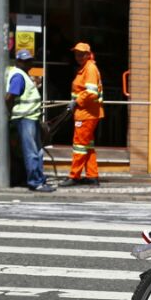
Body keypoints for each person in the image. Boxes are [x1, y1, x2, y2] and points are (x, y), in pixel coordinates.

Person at [6, 49, 53, 193]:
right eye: (25, 61)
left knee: (37, 151)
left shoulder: (23, 75)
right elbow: (9, 98)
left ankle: (39, 178)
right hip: (25, 118)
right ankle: (35, 182)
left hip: (30, 118)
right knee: (31, 152)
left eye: (29, 60)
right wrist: (11, 114)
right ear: (18, 61)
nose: (28, 63)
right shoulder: (19, 76)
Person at [61, 42, 103, 187]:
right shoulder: (86, 68)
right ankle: (92, 176)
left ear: (87, 54)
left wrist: (76, 101)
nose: (78, 56)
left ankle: (74, 176)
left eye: (81, 53)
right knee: (87, 146)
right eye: (76, 53)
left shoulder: (89, 69)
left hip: (86, 114)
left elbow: (91, 93)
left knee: (79, 146)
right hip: (87, 113)